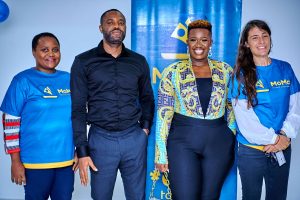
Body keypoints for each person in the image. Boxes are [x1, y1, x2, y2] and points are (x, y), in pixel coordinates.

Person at [70, 9, 154, 200]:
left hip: (134, 138)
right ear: (101, 28)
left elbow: (147, 97)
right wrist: (82, 150)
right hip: (101, 140)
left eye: (121, 22)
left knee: (137, 196)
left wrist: (145, 129)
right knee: (101, 196)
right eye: (110, 21)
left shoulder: (138, 61)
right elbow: (77, 109)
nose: (117, 25)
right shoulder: (83, 61)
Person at [155, 19, 236, 200]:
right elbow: (163, 113)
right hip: (182, 142)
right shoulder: (172, 72)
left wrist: (230, 133)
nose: (198, 45)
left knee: (210, 196)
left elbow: (232, 106)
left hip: (218, 144)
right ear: (187, 42)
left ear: (211, 43)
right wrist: (160, 153)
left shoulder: (225, 70)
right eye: (193, 40)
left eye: (204, 40)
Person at [229, 19, 300, 200]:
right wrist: (275, 139)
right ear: (246, 43)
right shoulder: (240, 75)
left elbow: (296, 108)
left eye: (264, 36)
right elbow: (246, 122)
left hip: (282, 147)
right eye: (255, 37)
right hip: (252, 151)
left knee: (278, 197)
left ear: (270, 39)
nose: (261, 42)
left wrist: (284, 135)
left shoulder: (285, 69)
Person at [0, 32, 75, 200]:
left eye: (55, 49)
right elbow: (10, 123)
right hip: (35, 162)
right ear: (34, 52)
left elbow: (77, 117)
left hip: (66, 161)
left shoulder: (68, 79)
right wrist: (15, 161)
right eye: (44, 49)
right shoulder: (22, 80)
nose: (51, 54)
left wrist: (79, 150)